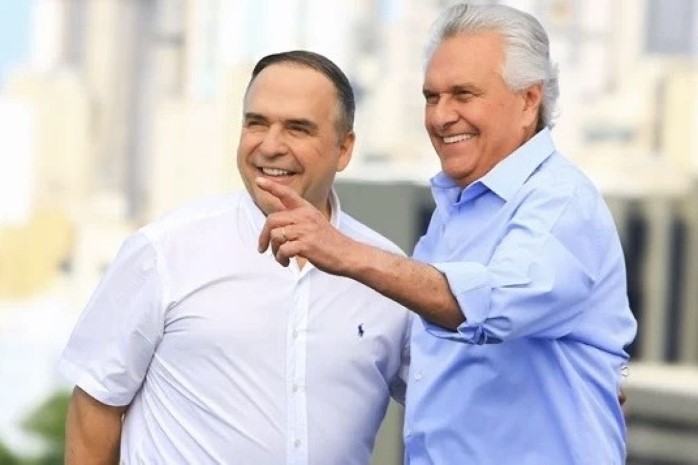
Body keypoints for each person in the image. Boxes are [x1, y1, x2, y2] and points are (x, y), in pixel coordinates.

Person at [256, 4, 638, 464]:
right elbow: (431, 367)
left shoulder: (560, 201)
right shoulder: (456, 210)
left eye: (463, 95)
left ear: (528, 101)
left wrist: (345, 253)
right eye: (431, 97)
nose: (441, 116)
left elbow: (494, 304)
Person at [58, 50, 411, 465]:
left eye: (297, 128)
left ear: (344, 148)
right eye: (256, 123)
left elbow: (442, 405)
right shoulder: (165, 250)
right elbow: (93, 410)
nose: (270, 146)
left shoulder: (386, 273)